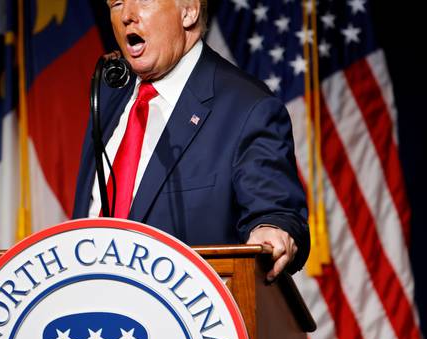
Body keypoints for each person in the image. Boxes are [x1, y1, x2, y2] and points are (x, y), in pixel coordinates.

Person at [73, 0, 309, 281]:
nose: (127, 16)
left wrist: (272, 230)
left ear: (188, 11)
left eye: (143, 1)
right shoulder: (108, 92)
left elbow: (277, 213)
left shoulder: (248, 108)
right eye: (117, 3)